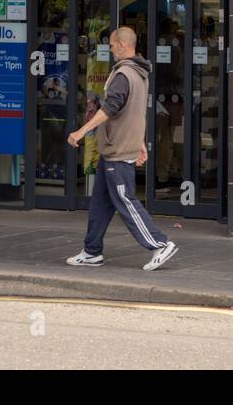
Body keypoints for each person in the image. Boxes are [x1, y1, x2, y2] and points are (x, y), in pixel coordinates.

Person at [64, 26, 178, 272]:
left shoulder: (123, 74)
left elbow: (111, 108)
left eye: (113, 44)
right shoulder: (140, 73)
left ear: (123, 45)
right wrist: (141, 143)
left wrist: (81, 131)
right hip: (118, 148)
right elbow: (138, 112)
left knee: (126, 200)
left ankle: (160, 243)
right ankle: (92, 251)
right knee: (99, 204)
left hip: (117, 150)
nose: (110, 48)